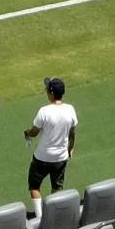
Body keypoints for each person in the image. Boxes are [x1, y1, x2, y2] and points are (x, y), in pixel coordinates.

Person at [24, 77, 77, 215]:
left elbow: (34, 133)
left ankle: (40, 217)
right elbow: (72, 133)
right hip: (61, 158)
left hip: (42, 157)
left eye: (47, 89)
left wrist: (27, 132)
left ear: (51, 94)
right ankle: (52, 215)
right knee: (57, 188)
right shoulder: (70, 109)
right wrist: (71, 149)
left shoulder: (44, 111)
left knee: (34, 186)